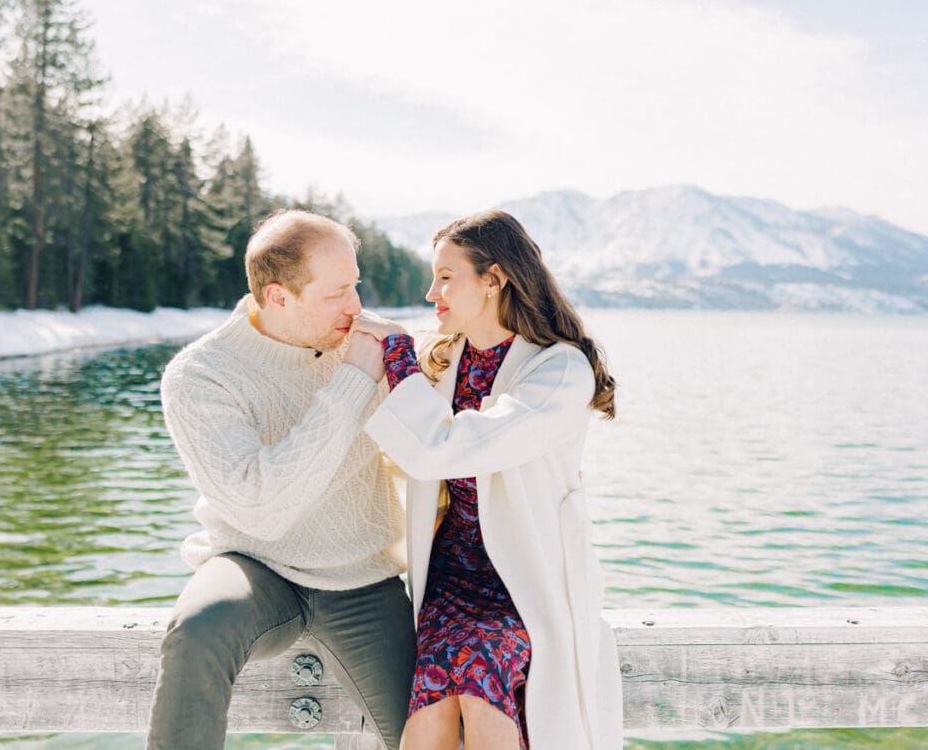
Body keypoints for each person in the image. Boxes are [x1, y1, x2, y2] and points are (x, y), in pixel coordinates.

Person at [350, 210, 624, 750]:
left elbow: (445, 447)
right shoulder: (442, 360)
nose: (432, 293)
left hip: (522, 580)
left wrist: (397, 351)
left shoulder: (558, 370)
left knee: (478, 672)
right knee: (433, 700)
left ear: (494, 279)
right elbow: (395, 443)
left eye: (447, 277)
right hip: (450, 576)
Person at [146, 209, 415, 750]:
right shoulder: (200, 376)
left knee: (430, 733)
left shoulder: (372, 342)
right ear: (278, 297)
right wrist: (354, 382)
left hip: (364, 576)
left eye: (356, 286)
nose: (356, 307)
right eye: (337, 292)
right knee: (197, 630)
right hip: (254, 565)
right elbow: (260, 509)